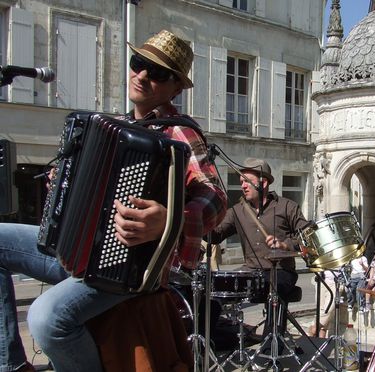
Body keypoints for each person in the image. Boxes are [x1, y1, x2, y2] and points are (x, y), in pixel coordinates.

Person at [0, 29, 227, 372]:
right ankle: (11, 364)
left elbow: (215, 197)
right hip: (75, 250)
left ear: (176, 87)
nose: (143, 76)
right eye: (139, 64)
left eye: (159, 73)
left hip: (128, 270)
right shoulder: (110, 126)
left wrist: (170, 220)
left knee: (45, 318)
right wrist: (63, 183)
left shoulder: (179, 131)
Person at [209, 158, 311, 341]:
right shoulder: (237, 211)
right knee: (213, 293)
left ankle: (270, 346)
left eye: (246, 182)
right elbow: (215, 235)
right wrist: (197, 219)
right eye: (240, 182)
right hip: (251, 271)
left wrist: (285, 244)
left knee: (275, 290)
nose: (242, 186)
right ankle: (208, 343)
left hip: (281, 271)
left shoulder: (287, 207)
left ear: (263, 183)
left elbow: (309, 236)